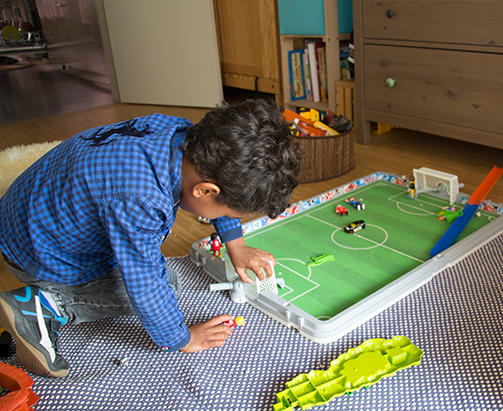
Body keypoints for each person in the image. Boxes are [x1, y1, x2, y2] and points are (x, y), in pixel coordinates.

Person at [0, 99, 300, 378]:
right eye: (231, 211)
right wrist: (182, 338)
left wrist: (237, 245)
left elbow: (224, 183)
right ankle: (45, 304)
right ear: (205, 191)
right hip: (39, 250)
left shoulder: (183, 134)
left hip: (28, 214)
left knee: (160, 285)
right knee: (163, 286)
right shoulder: (140, 198)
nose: (229, 216)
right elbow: (143, 280)